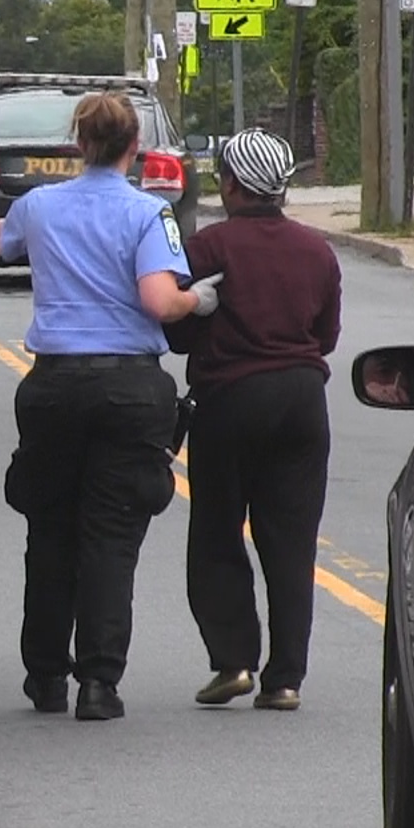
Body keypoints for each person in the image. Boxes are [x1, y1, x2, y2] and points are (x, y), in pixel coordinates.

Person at [0, 91, 224, 722]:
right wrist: (199, 301)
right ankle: (99, 683)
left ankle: (45, 674)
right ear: (134, 147)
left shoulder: (39, 206)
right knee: (112, 537)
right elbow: (160, 301)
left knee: (50, 530)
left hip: (54, 387)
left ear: (79, 145)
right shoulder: (149, 213)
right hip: (130, 389)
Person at [163, 128, 341, 713]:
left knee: (217, 531)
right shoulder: (317, 251)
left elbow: (178, 331)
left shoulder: (208, 248)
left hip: (229, 400)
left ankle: (234, 661)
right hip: (302, 401)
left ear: (233, 184)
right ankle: (285, 679)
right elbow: (326, 337)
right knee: (292, 541)